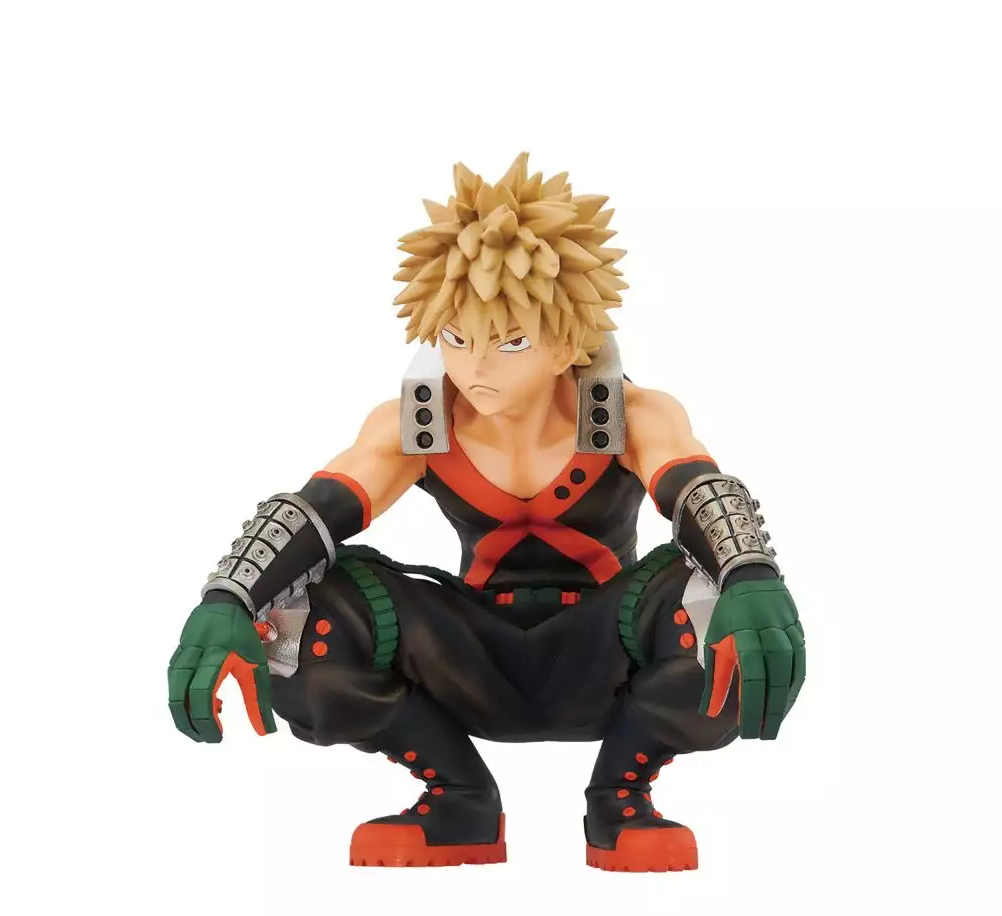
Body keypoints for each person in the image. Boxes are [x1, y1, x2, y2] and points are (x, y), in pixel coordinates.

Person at [167, 153, 806, 871]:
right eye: (456, 339)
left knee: (715, 596)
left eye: (510, 342)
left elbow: (691, 483)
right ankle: (458, 796)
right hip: (468, 654)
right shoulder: (419, 424)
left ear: (568, 343)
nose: (475, 368)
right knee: (292, 608)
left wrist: (750, 573)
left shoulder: (633, 414)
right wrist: (229, 596)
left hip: (609, 650)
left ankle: (620, 796)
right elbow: (322, 507)